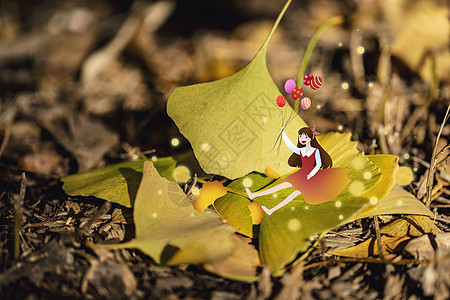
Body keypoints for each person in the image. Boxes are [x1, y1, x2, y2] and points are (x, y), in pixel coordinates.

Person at [246, 126, 350, 215]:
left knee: (292, 194)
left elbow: (318, 164)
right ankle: (255, 195)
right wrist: (283, 133)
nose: (301, 138)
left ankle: (271, 209)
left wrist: (312, 174)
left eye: (304, 136)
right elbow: (290, 145)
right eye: (300, 136)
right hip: (301, 174)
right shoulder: (301, 150)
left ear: (309, 138)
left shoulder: (315, 151)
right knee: (282, 186)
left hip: (309, 176)